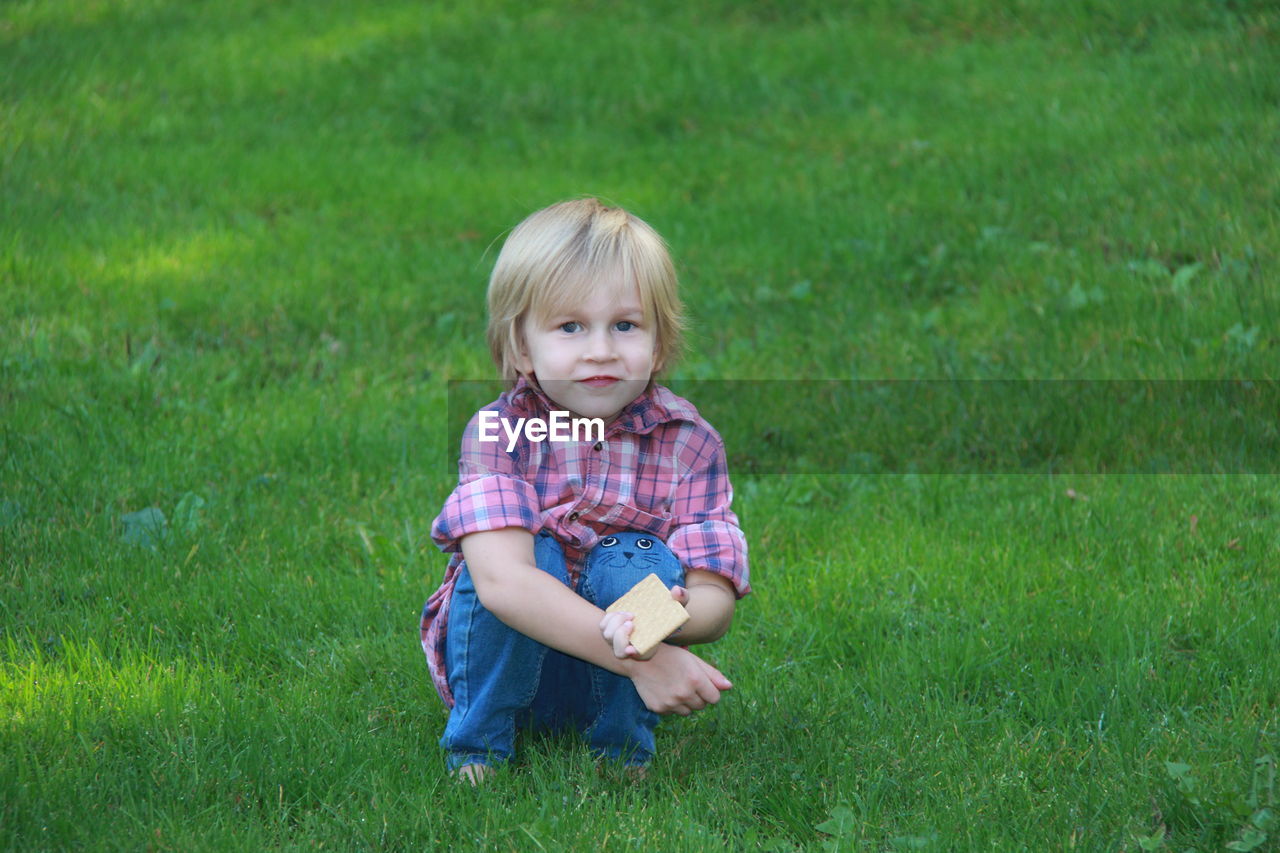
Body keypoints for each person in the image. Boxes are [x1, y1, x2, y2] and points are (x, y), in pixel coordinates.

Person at [420, 198, 750, 783]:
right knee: (538, 552)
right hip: (513, 654)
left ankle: (620, 752)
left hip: (621, 669)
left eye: (625, 325)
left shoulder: (688, 442)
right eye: (570, 326)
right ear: (522, 348)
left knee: (635, 558)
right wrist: (650, 664)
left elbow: (714, 596)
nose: (600, 349)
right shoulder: (500, 432)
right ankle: (481, 747)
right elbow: (502, 583)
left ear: (660, 344)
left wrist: (665, 621)